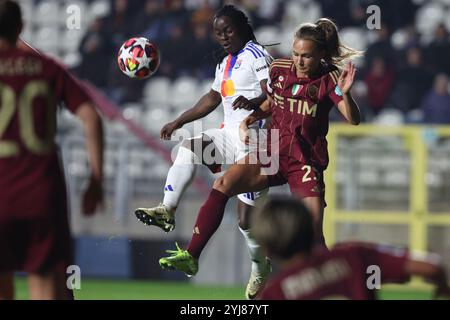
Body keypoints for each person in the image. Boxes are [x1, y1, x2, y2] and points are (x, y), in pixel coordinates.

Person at [158, 18, 361, 286]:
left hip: (305, 162)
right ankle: (192, 255)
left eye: (307, 56)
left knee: (311, 232)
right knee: (223, 183)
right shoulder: (279, 69)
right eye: (296, 54)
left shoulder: (329, 78)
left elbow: (353, 119)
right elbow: (271, 102)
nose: (299, 61)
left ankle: (334, 286)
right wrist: (251, 118)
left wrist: (346, 94)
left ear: (321, 55)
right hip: (272, 151)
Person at [133, 5, 273, 300]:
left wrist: (254, 103)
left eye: (228, 30)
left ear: (243, 27)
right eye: (218, 33)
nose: (223, 37)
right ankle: (167, 209)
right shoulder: (224, 63)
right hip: (228, 136)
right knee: (188, 147)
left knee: (246, 221)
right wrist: (179, 120)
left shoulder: (257, 55)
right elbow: (212, 97)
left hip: (257, 141)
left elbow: (272, 93)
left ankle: (260, 268)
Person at [0, 0, 104, 300]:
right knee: (46, 283)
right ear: (20, 27)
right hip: (40, 196)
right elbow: (91, 116)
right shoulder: (47, 68)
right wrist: (95, 179)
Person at [251, 196, 450, 300]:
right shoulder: (354, 256)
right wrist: (442, 286)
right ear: (311, 230)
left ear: (267, 248)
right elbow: (430, 266)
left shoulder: (276, 293)